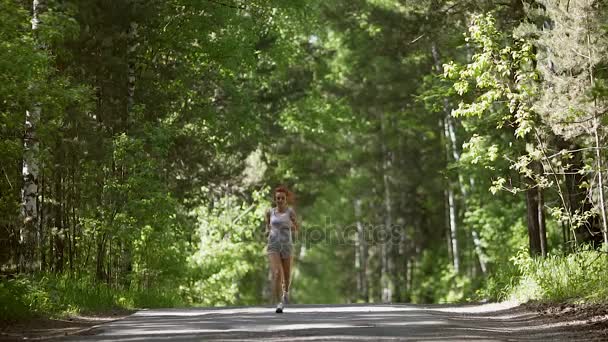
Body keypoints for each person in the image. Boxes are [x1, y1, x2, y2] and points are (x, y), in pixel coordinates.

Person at [265, 185, 298, 313]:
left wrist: (292, 225)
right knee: (277, 273)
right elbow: (267, 226)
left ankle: (286, 292)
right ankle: (279, 303)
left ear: (286, 199)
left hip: (286, 245)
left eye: (282, 198)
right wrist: (267, 231)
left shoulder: (290, 212)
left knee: (287, 275)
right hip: (273, 245)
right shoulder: (270, 212)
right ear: (275, 199)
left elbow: (296, 228)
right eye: (277, 198)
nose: (280, 200)